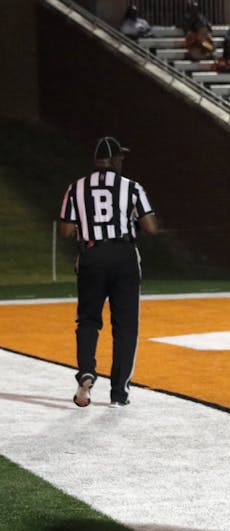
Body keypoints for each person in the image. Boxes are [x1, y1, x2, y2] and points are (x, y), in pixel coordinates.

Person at [59, 137, 159, 408]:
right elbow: (150, 226)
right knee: (125, 327)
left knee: (88, 320)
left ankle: (87, 372)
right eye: (121, 158)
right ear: (115, 161)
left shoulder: (76, 187)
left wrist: (87, 230)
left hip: (91, 254)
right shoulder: (131, 187)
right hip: (123, 255)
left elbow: (65, 230)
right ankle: (119, 393)